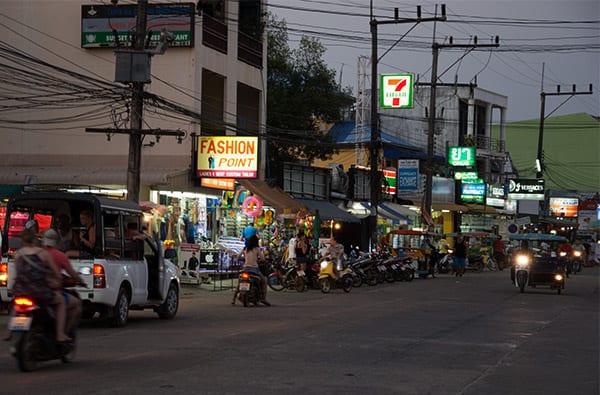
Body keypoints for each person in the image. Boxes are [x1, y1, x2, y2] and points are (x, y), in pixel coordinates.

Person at [10, 228, 70, 342]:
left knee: (15, 305)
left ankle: (10, 332)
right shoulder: (43, 253)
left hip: (20, 290)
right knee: (61, 301)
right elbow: (56, 274)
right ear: (36, 240)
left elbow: (17, 273)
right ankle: (60, 334)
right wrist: (57, 280)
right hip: (39, 291)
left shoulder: (18, 254)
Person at [42, 229, 86, 337]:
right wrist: (81, 281)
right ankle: (63, 332)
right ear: (56, 242)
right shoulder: (60, 255)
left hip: (35, 289)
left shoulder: (37, 253)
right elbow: (72, 274)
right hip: (52, 292)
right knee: (75, 304)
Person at [233, 236, 270, 306]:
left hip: (245, 268)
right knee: (264, 281)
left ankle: (233, 299)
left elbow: (238, 256)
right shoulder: (256, 249)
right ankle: (263, 298)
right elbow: (262, 258)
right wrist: (262, 260)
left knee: (240, 283)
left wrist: (243, 259)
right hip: (254, 269)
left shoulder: (245, 248)